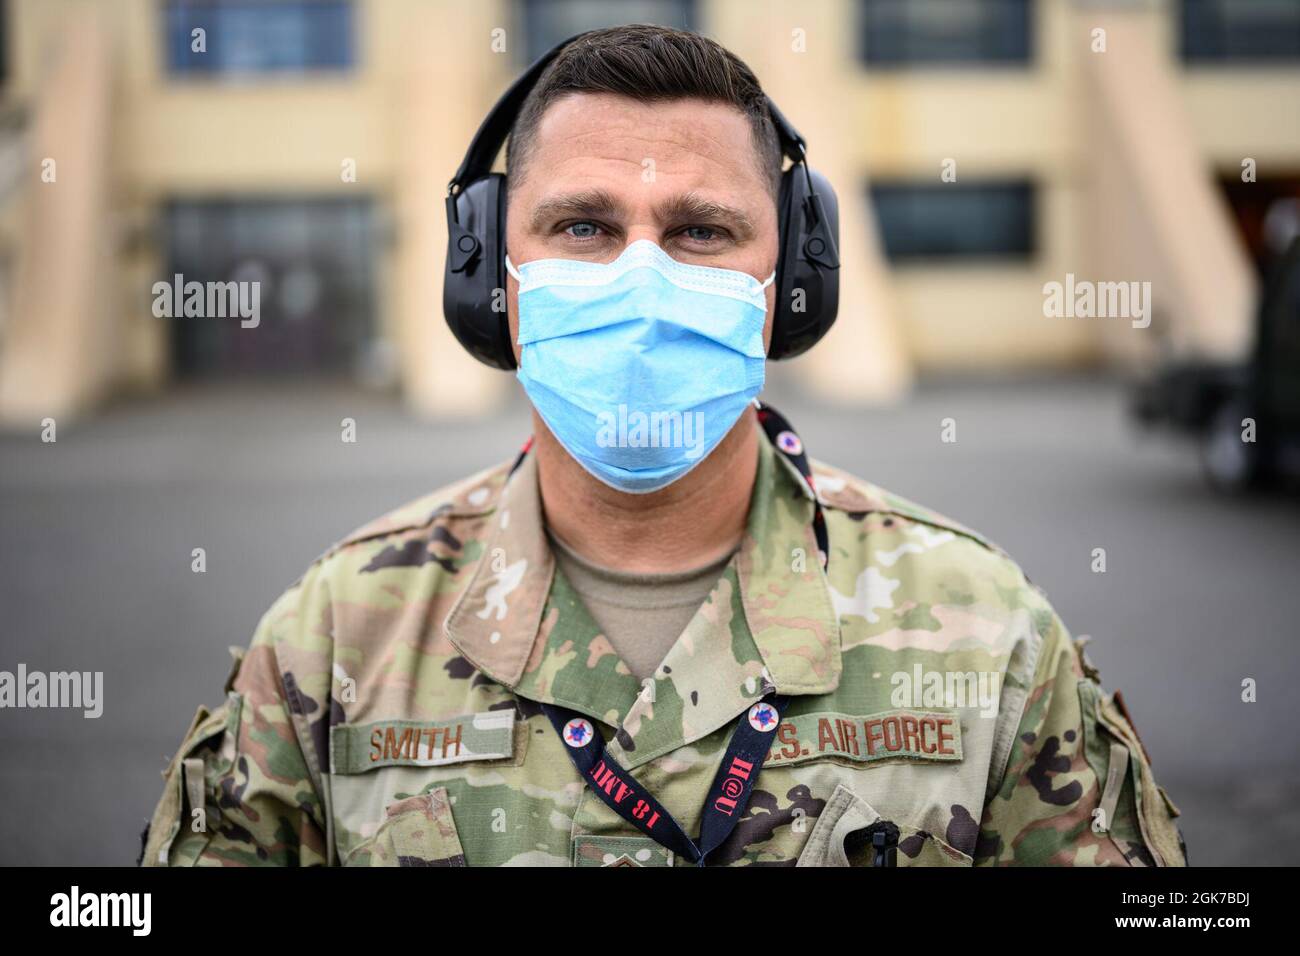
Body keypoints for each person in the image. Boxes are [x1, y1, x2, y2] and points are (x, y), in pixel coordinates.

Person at [142, 25, 1186, 867]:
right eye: (584, 228)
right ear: (488, 282)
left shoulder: (987, 631)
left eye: (700, 230)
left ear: (791, 287)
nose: (641, 283)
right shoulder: (334, 636)